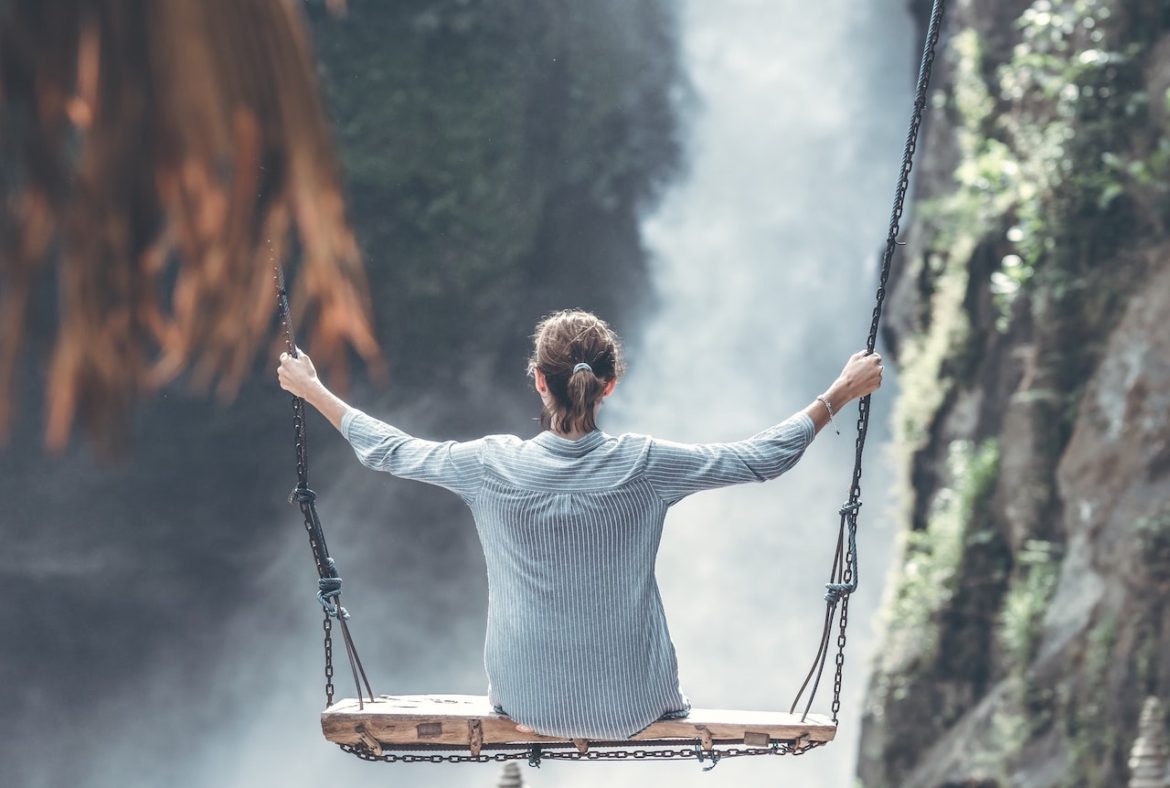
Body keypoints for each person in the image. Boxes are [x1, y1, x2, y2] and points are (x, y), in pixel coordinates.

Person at [276, 308, 883, 740]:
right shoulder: (647, 465)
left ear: (539, 381)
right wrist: (839, 392)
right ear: (609, 386)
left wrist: (314, 390)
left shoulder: (490, 466)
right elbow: (760, 459)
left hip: (525, 701)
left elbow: (391, 450)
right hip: (637, 706)